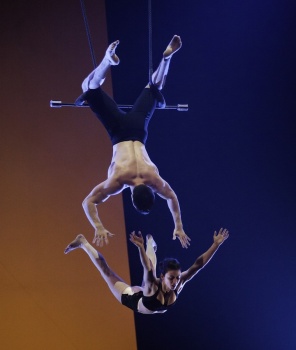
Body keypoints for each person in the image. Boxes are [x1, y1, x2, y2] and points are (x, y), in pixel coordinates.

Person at [78, 35, 190, 248]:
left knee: (153, 88)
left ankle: (166, 59)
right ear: (131, 198)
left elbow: (172, 199)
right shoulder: (118, 182)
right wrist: (98, 227)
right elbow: (88, 202)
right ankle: (106, 62)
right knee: (88, 88)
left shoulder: (155, 180)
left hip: (138, 130)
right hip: (118, 131)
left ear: (151, 192)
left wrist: (179, 225)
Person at [64, 228, 229, 314]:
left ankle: (151, 244)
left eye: (177, 277)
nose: (176, 281)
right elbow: (147, 267)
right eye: (171, 278)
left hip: (149, 296)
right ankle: (83, 243)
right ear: (163, 277)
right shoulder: (153, 284)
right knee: (108, 273)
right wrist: (141, 247)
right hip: (134, 299)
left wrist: (216, 244)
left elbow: (197, 265)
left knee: (152, 266)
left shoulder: (178, 284)